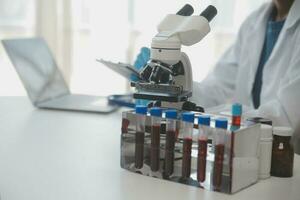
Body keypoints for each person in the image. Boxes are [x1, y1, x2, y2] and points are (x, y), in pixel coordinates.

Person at [134, 0, 300, 152]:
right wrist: (173, 88)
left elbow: (284, 119)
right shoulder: (254, 22)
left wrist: (221, 119)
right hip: (243, 151)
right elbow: (216, 88)